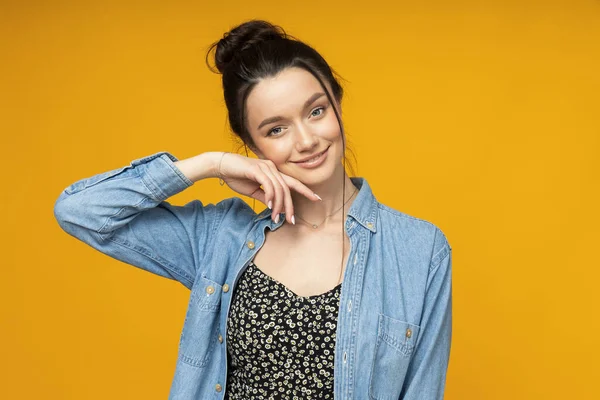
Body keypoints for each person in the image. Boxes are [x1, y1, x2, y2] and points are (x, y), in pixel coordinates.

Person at [54, 19, 452, 400]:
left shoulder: (419, 250)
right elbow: (80, 211)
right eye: (276, 129)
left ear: (338, 105)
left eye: (316, 111)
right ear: (252, 145)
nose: (307, 140)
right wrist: (211, 165)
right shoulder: (218, 238)